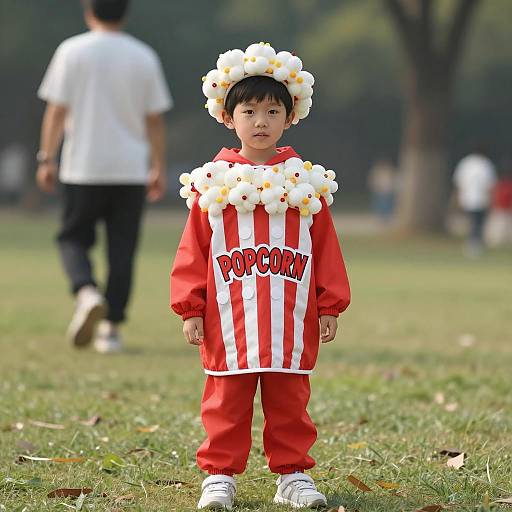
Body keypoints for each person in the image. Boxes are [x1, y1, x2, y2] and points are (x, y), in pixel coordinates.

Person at [170, 43, 350, 509]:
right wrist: (190, 306)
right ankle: (220, 476)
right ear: (229, 118)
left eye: (273, 110)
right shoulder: (214, 184)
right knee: (226, 400)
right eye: (249, 111)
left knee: (290, 399)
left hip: (290, 315)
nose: (261, 121)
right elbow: (193, 251)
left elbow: (326, 250)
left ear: (290, 117)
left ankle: (292, 475)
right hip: (228, 318)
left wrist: (329, 304)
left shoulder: (305, 185)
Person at [36, 0, 172, 353]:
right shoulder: (143, 56)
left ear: (88, 11)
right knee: (122, 249)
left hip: (82, 166)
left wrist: (46, 158)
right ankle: (110, 329)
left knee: (72, 238)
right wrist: (158, 166)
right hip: (129, 169)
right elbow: (154, 119)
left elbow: (56, 110)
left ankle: (85, 291)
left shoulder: (72, 51)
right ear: (125, 13)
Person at [453, 145, 496, 257]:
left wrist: (457, 198)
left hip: (469, 199)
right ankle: (474, 246)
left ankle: (473, 245)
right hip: (479, 199)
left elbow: (459, 183)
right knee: (477, 223)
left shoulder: (466, 163)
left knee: (474, 223)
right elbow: (490, 185)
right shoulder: (486, 164)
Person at [367, 157, 397, 222]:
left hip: (388, 191)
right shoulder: (377, 171)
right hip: (380, 191)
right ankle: (381, 217)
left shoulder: (390, 171)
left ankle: (386, 217)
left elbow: (393, 181)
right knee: (380, 204)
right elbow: (373, 180)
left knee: (387, 205)